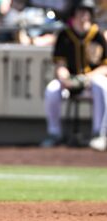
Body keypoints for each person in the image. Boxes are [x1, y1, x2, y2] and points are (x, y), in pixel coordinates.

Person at [41, 0, 107, 151]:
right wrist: (65, 78)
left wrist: (86, 78)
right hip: (70, 83)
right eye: (80, 12)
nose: (84, 16)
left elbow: (105, 67)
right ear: (73, 14)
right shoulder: (65, 35)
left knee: (102, 85)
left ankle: (99, 134)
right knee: (52, 89)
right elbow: (60, 65)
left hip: (91, 82)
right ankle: (54, 133)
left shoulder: (98, 35)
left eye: (87, 12)